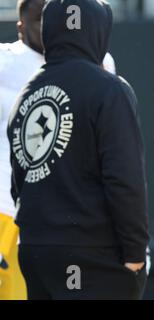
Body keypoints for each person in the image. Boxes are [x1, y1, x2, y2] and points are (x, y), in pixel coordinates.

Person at [7, 0, 149, 300]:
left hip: (35, 252)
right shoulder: (109, 88)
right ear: (97, 31)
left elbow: (18, 183)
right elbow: (125, 180)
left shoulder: (26, 94)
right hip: (93, 255)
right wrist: (136, 252)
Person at [0, 0, 46, 300]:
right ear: (20, 27)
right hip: (3, 204)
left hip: (53, 215)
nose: (48, 28)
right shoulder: (3, 60)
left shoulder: (99, 60)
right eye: (38, 21)